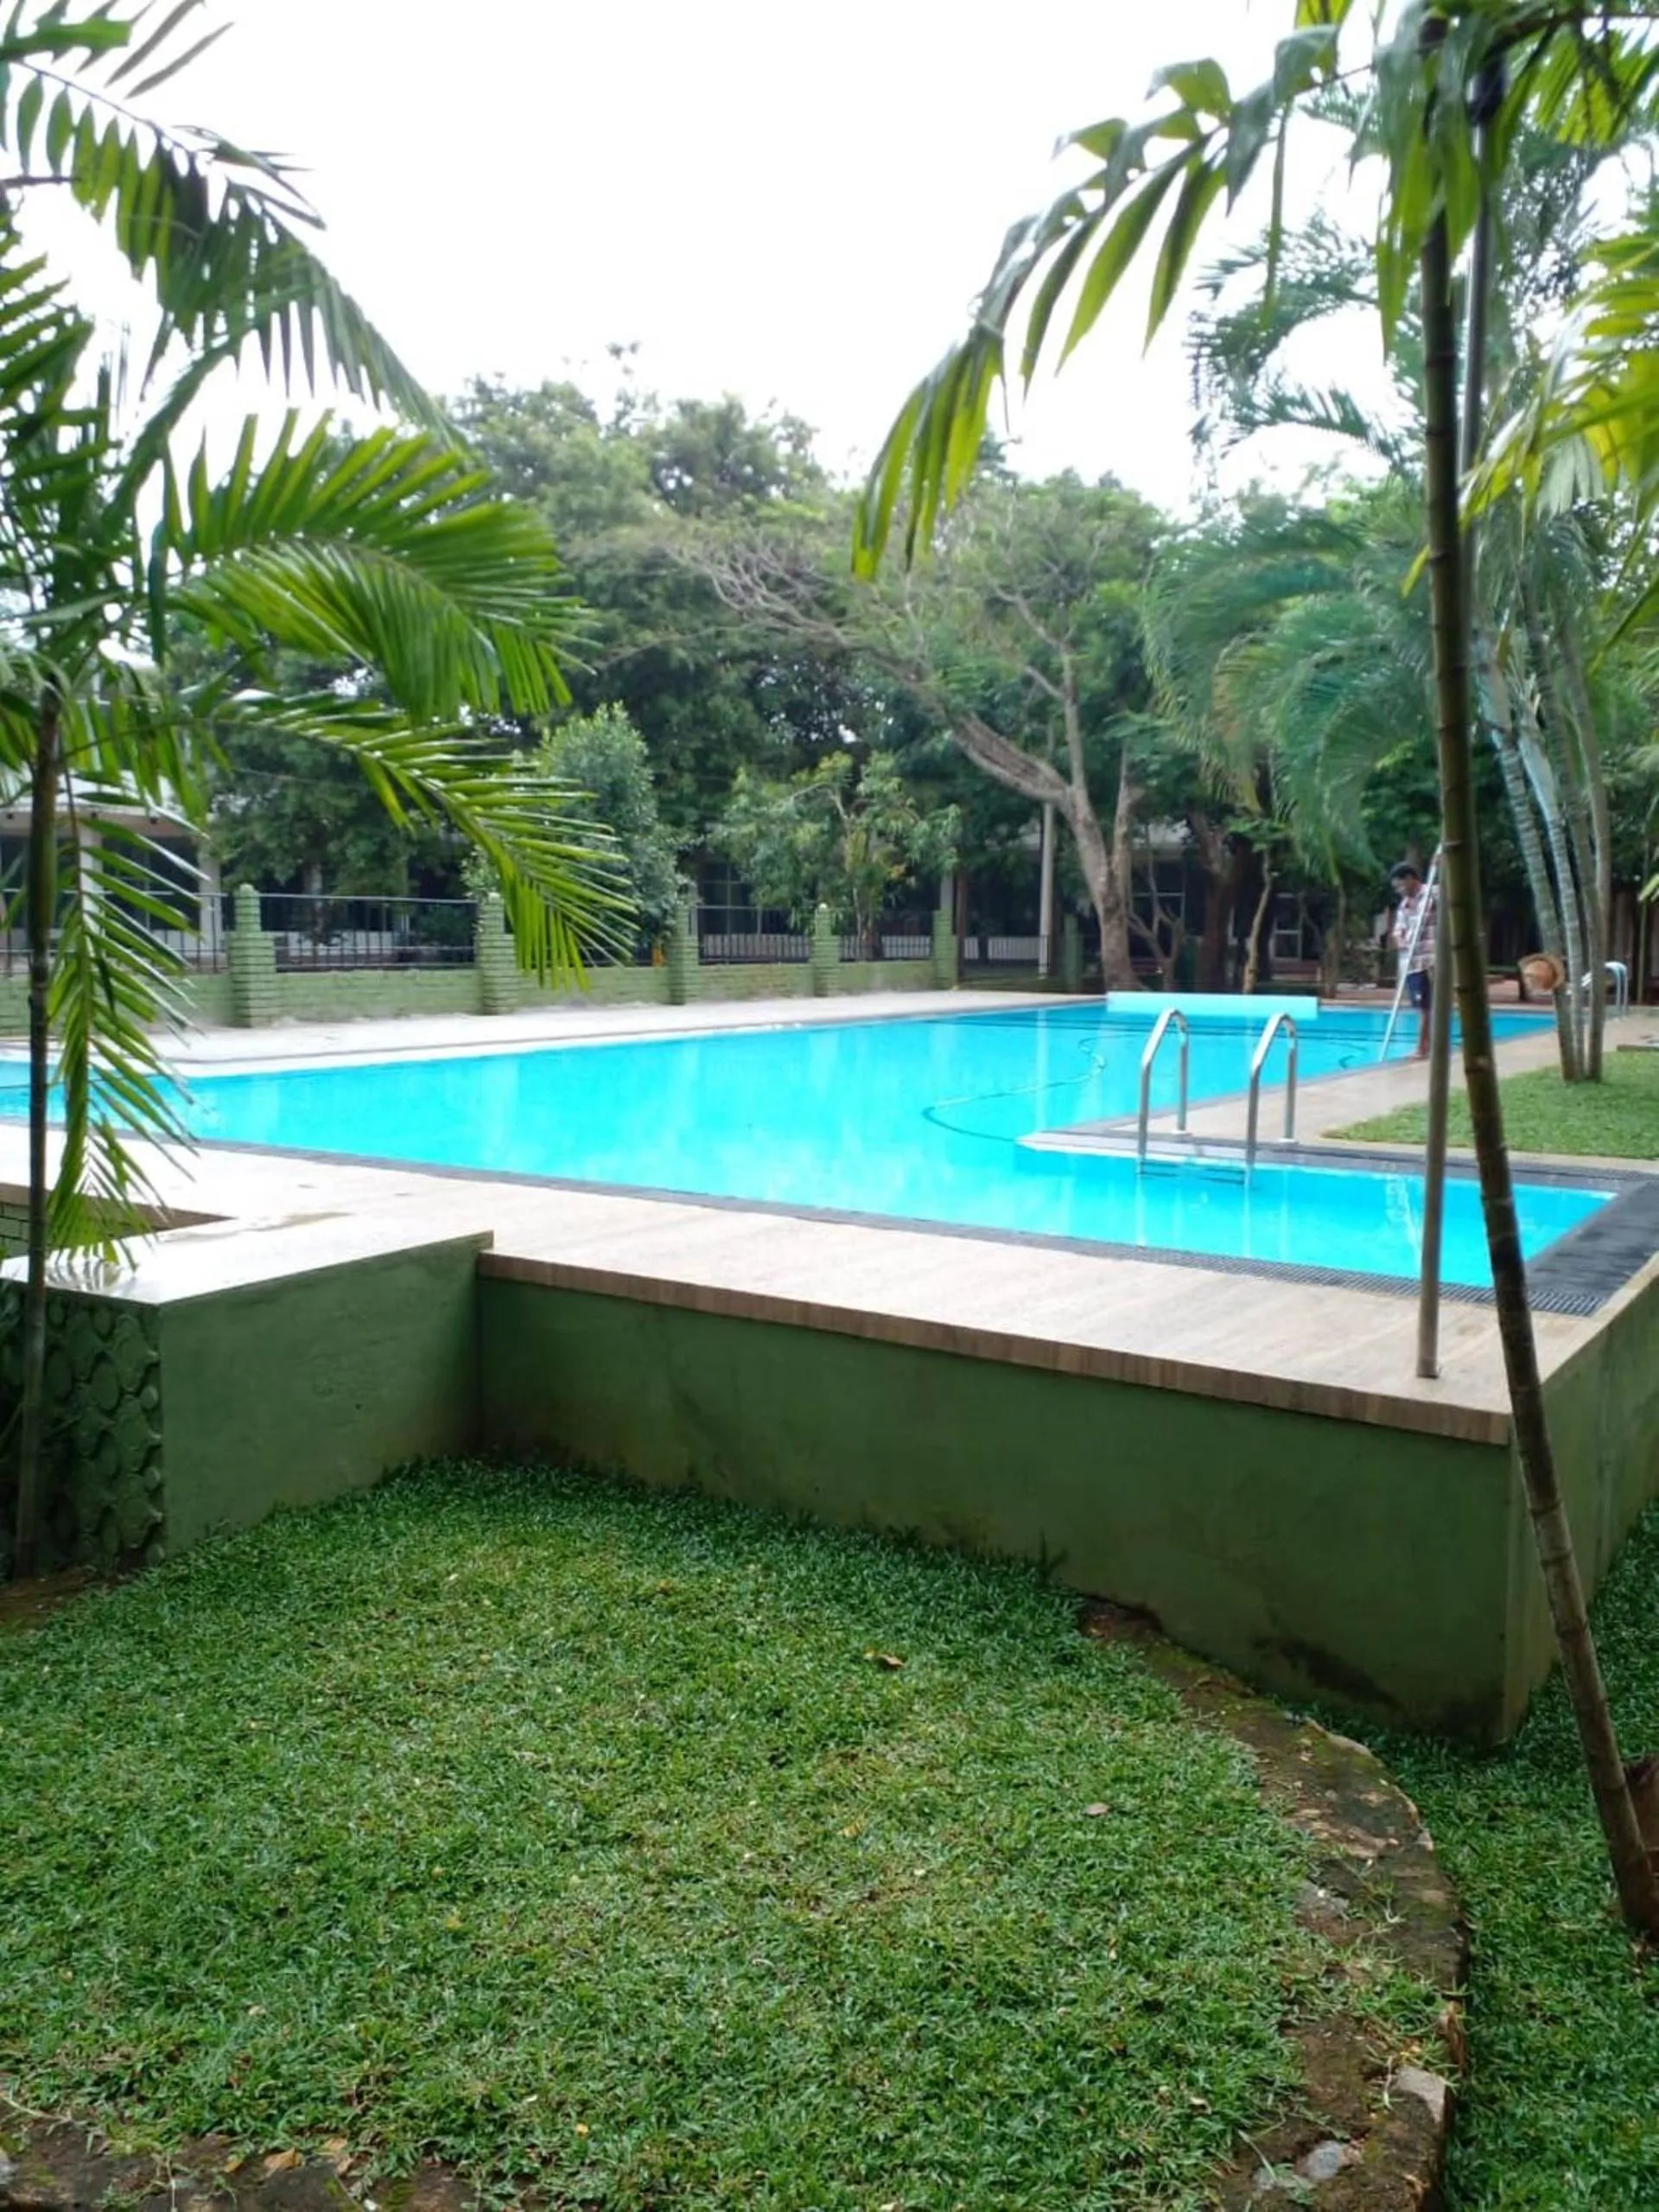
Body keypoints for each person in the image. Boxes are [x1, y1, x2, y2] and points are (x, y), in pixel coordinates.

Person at [1389, 861, 1436, 1058]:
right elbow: (1398, 932)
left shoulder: (1433, 894)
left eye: (1400, 885)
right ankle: (1428, 1047)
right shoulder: (1404, 906)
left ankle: (1422, 1048)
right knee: (1423, 1006)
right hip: (1413, 963)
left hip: (1433, 960)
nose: (1399, 890)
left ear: (1410, 879)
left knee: (1428, 1007)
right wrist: (1400, 941)